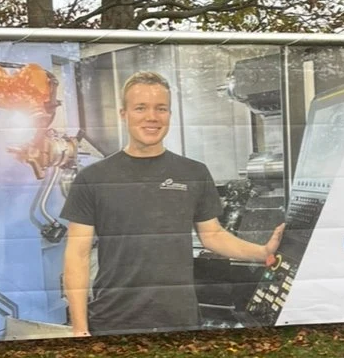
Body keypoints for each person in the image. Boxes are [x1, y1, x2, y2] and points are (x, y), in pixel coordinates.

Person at [62, 71, 283, 336]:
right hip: (113, 321)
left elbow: (213, 236)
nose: (152, 117)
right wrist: (79, 329)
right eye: (140, 108)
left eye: (161, 108)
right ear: (124, 114)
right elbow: (77, 256)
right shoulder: (93, 178)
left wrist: (262, 252)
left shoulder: (193, 173)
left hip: (180, 320)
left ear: (169, 114)